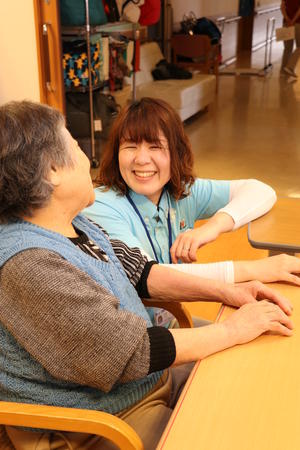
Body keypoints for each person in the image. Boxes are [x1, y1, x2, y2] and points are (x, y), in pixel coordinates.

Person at [0, 101, 294, 450]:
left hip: (142, 384)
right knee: (230, 428)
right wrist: (232, 328)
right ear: (52, 171)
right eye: (77, 147)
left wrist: (227, 293)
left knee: (252, 376)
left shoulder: (73, 222)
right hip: (98, 422)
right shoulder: (29, 262)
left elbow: (141, 273)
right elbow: (130, 351)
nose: (86, 159)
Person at [85, 98, 300, 296]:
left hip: (175, 318)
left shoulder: (179, 191)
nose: (141, 159)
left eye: (155, 147)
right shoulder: (101, 204)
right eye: (130, 146)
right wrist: (256, 269)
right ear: (116, 153)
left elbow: (261, 191)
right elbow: (152, 277)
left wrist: (211, 228)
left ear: (176, 153)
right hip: (142, 332)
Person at [280, 0, 300, 78]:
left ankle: (283, 71)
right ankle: (290, 67)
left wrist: (287, 19)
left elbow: (282, 7)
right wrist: (293, 21)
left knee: (287, 48)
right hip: (298, 24)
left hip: (286, 24)